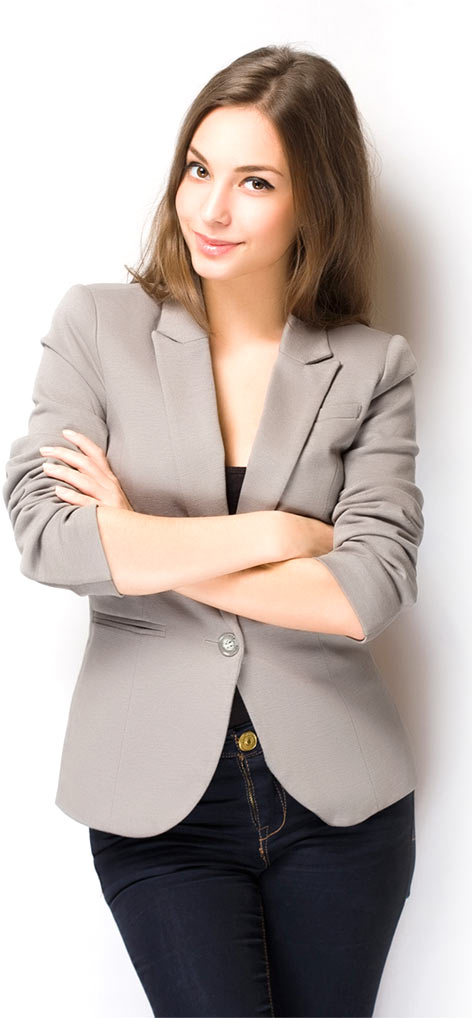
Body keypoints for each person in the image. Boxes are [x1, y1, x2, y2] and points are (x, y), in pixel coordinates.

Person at [3, 43, 424, 1018]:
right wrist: (280, 532)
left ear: (315, 202)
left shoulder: (371, 366)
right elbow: (48, 536)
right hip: (156, 806)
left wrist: (132, 536)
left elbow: (366, 592)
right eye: (199, 169)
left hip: (340, 805)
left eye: (255, 182)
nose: (211, 208)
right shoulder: (97, 327)